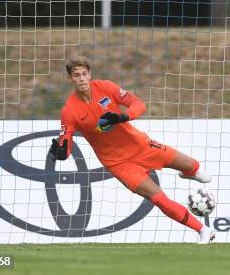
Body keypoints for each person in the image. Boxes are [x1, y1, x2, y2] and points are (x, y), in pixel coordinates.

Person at [49, 56, 215, 244]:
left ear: (90, 75)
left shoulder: (106, 87)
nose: (81, 79)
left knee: (192, 165)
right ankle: (203, 230)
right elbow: (65, 145)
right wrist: (61, 153)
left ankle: (189, 173)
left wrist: (122, 117)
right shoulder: (69, 110)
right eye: (76, 75)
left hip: (141, 146)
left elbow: (139, 104)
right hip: (119, 163)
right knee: (158, 198)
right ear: (70, 79)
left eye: (84, 74)